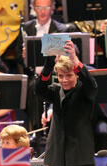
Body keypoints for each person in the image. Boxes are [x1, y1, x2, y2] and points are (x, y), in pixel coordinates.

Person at [35, 41, 97, 166]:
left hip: (80, 155)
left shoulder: (84, 90)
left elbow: (91, 86)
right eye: (60, 76)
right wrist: (49, 65)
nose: (64, 80)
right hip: (57, 155)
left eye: (69, 75)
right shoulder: (56, 91)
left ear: (77, 75)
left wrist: (74, 60)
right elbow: (39, 90)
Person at [24, 0, 76, 134]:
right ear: (34, 8)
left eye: (46, 7)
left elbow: (73, 51)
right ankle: (37, 130)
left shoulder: (62, 28)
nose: (42, 11)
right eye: (39, 7)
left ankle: (56, 129)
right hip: (34, 74)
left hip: (56, 72)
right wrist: (24, 55)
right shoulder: (26, 27)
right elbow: (19, 56)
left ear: (52, 8)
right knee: (34, 86)